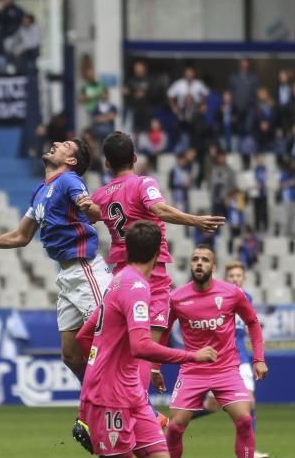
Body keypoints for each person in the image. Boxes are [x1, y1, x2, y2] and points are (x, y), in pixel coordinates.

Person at [67, 222, 217, 458]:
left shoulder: (118, 280)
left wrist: (105, 363)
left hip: (130, 395)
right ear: (159, 251)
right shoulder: (135, 288)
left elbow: (87, 334)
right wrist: (192, 357)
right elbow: (141, 345)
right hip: (110, 399)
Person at [76, 131, 224, 400]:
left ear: (107, 164)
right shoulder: (144, 184)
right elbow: (159, 210)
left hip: (118, 279)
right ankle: (140, 409)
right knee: (144, 348)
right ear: (134, 157)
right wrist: (195, 220)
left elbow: (97, 214)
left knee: (88, 337)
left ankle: (101, 392)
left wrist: (88, 209)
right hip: (150, 279)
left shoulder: (99, 195)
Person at [0, 138, 111, 381]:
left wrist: (89, 208)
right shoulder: (41, 191)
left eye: (64, 144)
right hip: (66, 276)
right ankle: (99, 402)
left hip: (85, 269)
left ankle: (139, 410)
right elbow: (21, 236)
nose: (56, 142)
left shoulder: (69, 180)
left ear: (71, 160)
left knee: (107, 342)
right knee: (71, 355)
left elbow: (93, 209)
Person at [156, 243, 268, 458]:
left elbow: (252, 322)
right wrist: (155, 367)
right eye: (195, 259)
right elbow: (161, 330)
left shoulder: (231, 293)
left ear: (213, 267)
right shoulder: (177, 298)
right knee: (174, 427)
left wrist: (259, 358)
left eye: (205, 260)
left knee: (243, 419)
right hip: (192, 370)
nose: (199, 263)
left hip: (226, 369)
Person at [191, 261, 269, 458]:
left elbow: (252, 327)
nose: (235, 279)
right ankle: (175, 421)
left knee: (249, 401)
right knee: (211, 406)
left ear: (244, 278)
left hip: (240, 358)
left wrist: (258, 357)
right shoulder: (217, 297)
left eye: (238, 276)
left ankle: (249, 451)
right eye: (231, 276)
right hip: (218, 359)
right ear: (227, 278)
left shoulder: (247, 299)